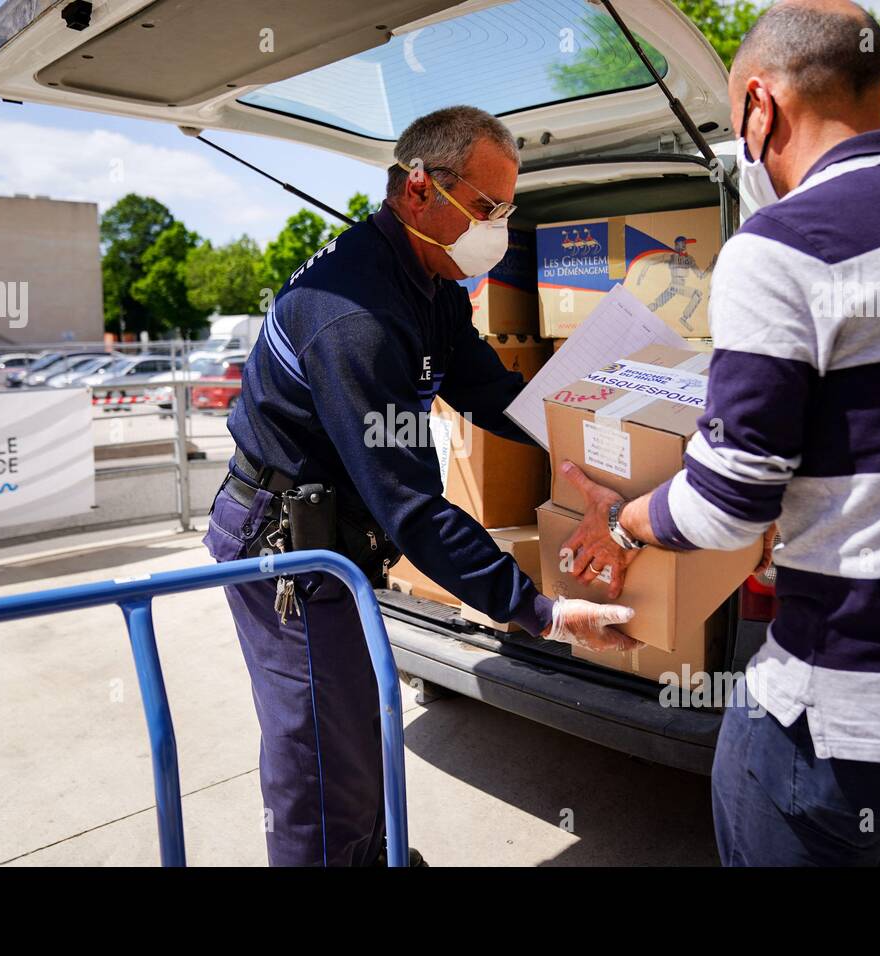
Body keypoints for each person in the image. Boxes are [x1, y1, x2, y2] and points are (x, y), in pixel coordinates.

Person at [561, 0, 880, 866]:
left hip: (856, 721)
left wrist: (619, 520)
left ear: (760, 107)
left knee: (751, 768)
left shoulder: (782, 246)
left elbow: (723, 505)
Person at [203, 105, 636, 867]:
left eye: (506, 209)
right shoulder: (355, 316)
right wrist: (543, 611)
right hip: (286, 553)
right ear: (416, 190)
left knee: (360, 725)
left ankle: (372, 854)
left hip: (336, 537)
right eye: (485, 206)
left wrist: (594, 447)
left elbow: (488, 391)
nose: (496, 226)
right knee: (318, 754)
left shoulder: (427, 280)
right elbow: (412, 509)